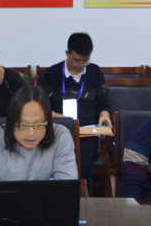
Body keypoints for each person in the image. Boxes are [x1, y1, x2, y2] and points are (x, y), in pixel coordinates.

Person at [0, 85, 78, 210]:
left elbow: (67, 185)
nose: (31, 133)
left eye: (38, 124)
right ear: (11, 122)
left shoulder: (60, 135)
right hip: (4, 214)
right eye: (23, 124)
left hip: (48, 211)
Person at [41, 32, 111, 196]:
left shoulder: (95, 72)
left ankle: (77, 196)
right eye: (76, 60)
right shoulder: (52, 74)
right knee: (65, 153)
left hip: (87, 131)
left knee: (82, 154)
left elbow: (103, 101)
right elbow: (43, 109)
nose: (80, 64)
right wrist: (66, 120)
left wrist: (104, 114)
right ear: (67, 53)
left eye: (85, 61)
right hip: (59, 129)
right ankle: (70, 194)